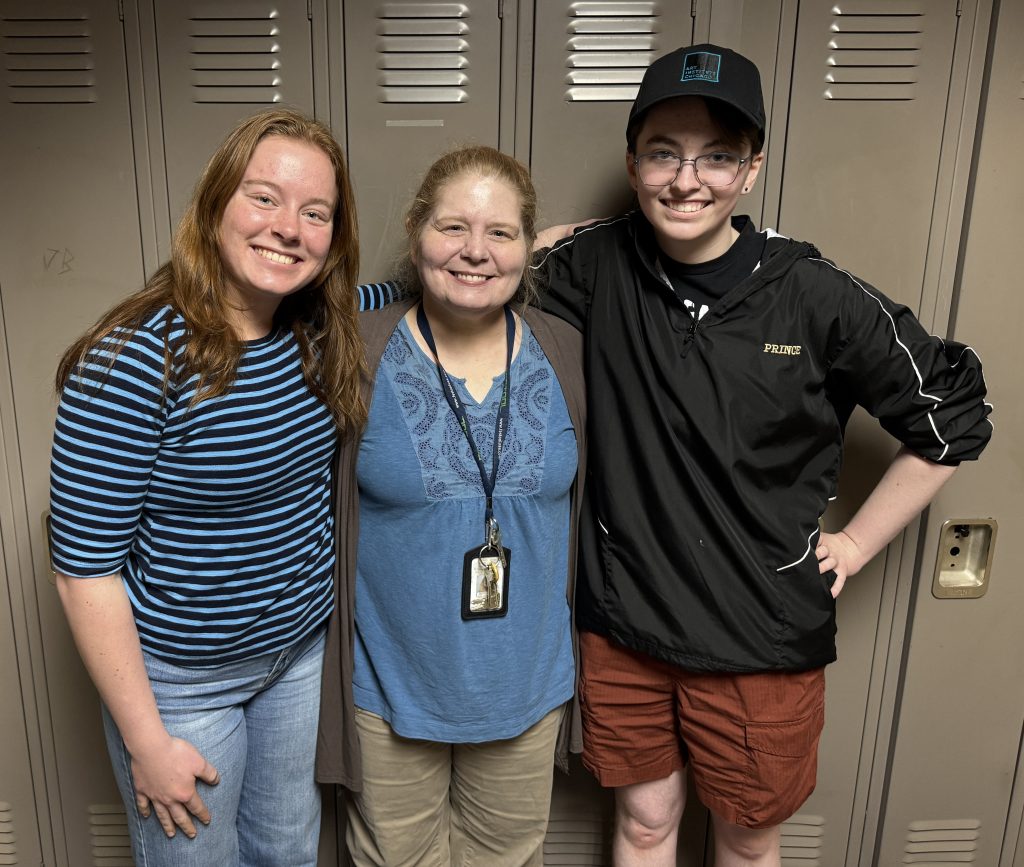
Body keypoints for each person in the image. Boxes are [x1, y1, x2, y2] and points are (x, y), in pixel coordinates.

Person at [529, 44, 993, 866]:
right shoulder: (596, 265)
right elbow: (478, 264)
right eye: (664, 153)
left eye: (716, 157)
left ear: (751, 170)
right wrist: (552, 233)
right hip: (624, 626)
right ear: (632, 163)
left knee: (746, 844)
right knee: (642, 826)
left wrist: (854, 543)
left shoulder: (814, 294)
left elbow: (954, 413)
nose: (687, 179)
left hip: (759, 639)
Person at [49, 108, 364, 866]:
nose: (288, 228)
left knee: (287, 851)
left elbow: (434, 281)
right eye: (263, 197)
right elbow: (84, 573)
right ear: (215, 204)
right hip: (182, 685)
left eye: (314, 212)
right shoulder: (131, 360)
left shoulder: (322, 329)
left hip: (294, 657)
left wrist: (541, 242)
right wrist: (147, 739)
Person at [316, 145, 586, 866]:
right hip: (388, 690)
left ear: (531, 246)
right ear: (414, 235)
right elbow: (297, 291)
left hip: (524, 690)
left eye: (501, 232)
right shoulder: (356, 350)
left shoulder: (566, 351)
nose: (474, 251)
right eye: (452, 228)